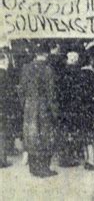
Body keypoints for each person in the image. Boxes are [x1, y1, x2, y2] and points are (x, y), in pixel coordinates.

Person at [19, 43, 58, 178]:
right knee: (45, 137)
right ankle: (44, 169)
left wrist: (24, 105)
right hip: (43, 107)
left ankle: (33, 168)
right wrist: (55, 112)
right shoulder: (48, 70)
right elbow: (51, 93)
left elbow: (21, 90)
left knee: (31, 137)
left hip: (29, 107)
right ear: (46, 54)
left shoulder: (26, 68)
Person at [57, 51, 82, 167]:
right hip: (73, 107)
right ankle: (69, 157)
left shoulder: (62, 72)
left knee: (65, 132)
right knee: (71, 132)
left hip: (63, 107)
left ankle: (64, 157)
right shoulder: (77, 73)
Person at [0, 50, 12, 168]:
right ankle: (2, 160)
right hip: (2, 109)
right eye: (7, 60)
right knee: (2, 133)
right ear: (2, 61)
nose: (8, 63)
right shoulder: (5, 75)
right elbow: (8, 95)